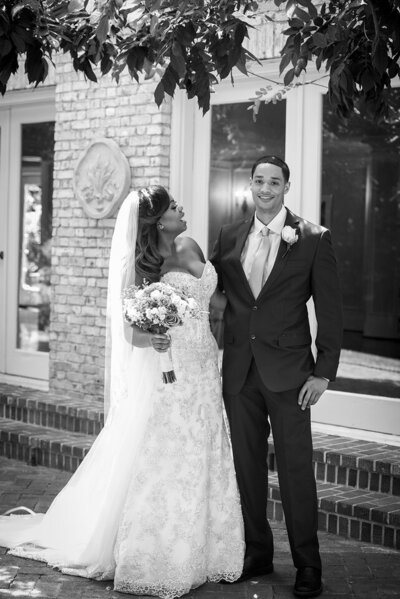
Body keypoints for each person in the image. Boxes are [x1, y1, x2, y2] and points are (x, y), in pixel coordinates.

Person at [0, 186, 245, 598]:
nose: (181, 208)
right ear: (159, 221)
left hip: (205, 365)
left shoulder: (191, 244)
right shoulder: (143, 266)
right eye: (173, 206)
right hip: (170, 371)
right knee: (169, 456)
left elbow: (216, 302)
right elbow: (133, 333)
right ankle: (162, 550)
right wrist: (157, 341)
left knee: (206, 447)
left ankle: (209, 548)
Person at [210, 156, 342, 598]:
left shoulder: (313, 239)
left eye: (275, 181)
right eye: (259, 181)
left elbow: (330, 311)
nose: (266, 188)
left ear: (287, 186)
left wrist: (324, 372)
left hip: (290, 376)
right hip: (239, 375)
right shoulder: (229, 235)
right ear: (250, 185)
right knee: (246, 469)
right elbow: (216, 296)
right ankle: (257, 553)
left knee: (296, 473)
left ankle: (308, 564)